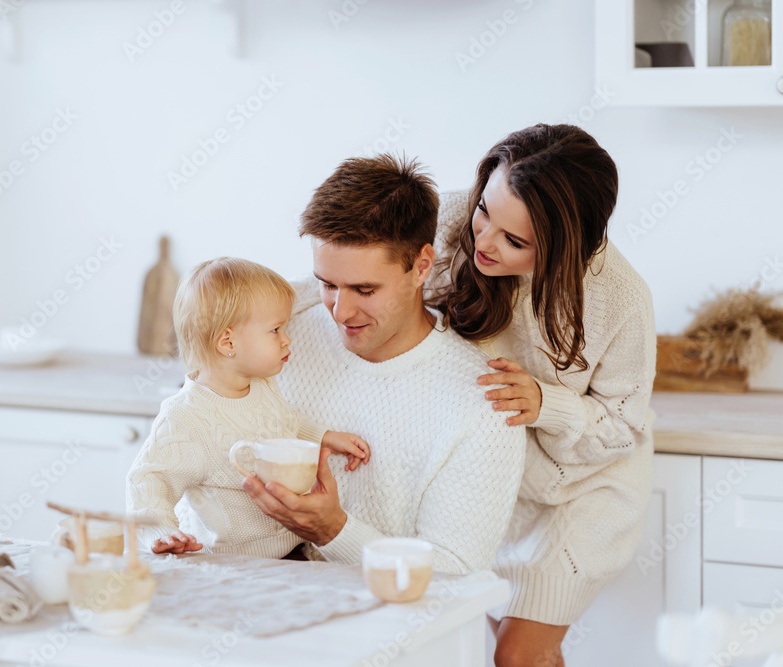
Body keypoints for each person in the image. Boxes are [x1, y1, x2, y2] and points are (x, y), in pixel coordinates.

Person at [429, 124, 657, 667]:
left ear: (563, 245)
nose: (482, 242)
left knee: (516, 655)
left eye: (515, 241)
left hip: (585, 488)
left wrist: (545, 402)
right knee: (529, 653)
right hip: (494, 483)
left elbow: (623, 426)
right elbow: (351, 268)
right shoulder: (449, 219)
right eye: (486, 211)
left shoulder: (621, 297)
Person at [240, 154, 526, 574]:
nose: (340, 311)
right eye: (328, 284)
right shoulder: (279, 336)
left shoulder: (483, 403)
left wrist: (333, 531)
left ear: (421, 266)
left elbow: (454, 574)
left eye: (365, 289)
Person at [126, 257, 370, 559]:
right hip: (234, 564)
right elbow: (148, 482)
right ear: (228, 342)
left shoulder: (262, 385)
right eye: (276, 330)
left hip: (295, 552)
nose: (287, 339)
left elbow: (285, 423)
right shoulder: (185, 417)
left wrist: (324, 436)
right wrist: (163, 534)